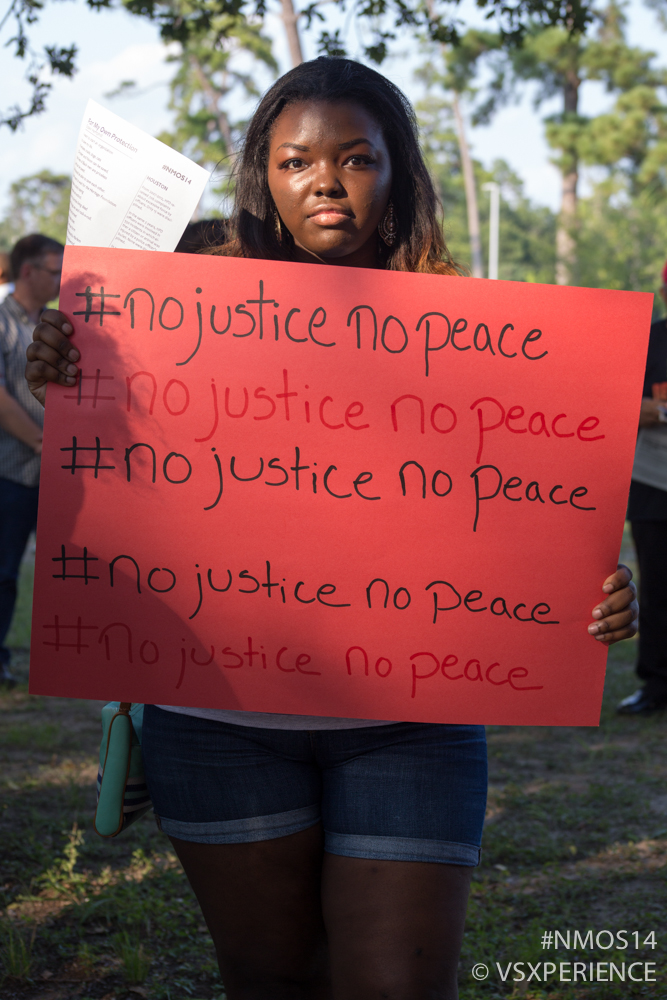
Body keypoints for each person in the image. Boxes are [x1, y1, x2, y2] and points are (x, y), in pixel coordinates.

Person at [25, 58, 638, 1000]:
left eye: (355, 158)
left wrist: (587, 589)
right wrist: (65, 369)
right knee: (271, 979)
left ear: (396, 171)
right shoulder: (173, 308)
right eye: (295, 160)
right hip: (217, 723)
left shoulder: (483, 332)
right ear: (262, 176)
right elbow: (118, 457)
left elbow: (538, 516)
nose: (323, 179)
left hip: (413, 728)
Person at [0, 234, 63, 687]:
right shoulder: (1, 321)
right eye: (54, 271)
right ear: (27, 272)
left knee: (67, 571)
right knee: (3, 570)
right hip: (11, 471)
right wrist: (44, 442)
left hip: (58, 477)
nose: (62, 280)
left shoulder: (54, 323)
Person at [618, 263, 667, 715]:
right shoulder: (647, 339)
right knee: (654, 590)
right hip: (653, 485)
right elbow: (607, 397)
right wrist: (639, 407)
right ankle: (655, 686)